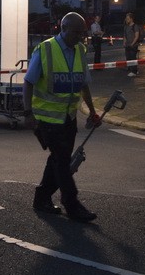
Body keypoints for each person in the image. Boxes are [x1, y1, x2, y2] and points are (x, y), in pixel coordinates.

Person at [22, 12, 101, 222]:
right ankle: (72, 204)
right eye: (76, 32)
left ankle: (41, 198)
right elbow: (28, 82)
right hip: (47, 120)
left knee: (58, 160)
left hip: (68, 117)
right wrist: (28, 113)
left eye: (82, 33)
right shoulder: (45, 49)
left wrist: (92, 111)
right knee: (63, 161)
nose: (80, 37)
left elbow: (83, 83)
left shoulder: (80, 50)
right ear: (63, 28)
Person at [123, 12, 141, 77]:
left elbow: (136, 36)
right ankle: (131, 69)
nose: (126, 20)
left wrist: (132, 43)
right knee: (128, 57)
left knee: (133, 57)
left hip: (133, 45)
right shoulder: (126, 27)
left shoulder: (135, 26)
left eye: (128, 18)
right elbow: (125, 36)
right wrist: (124, 43)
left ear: (131, 19)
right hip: (127, 45)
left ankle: (134, 71)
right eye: (126, 18)